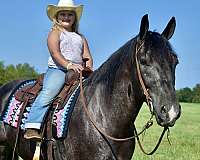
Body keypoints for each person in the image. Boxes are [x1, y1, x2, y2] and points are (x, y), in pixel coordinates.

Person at [24, 0, 93, 141]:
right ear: (56, 17)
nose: (66, 17)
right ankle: (32, 126)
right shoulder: (55, 33)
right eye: (63, 14)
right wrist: (68, 65)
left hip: (78, 72)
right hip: (59, 70)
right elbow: (55, 53)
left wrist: (89, 67)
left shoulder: (80, 37)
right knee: (50, 91)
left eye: (70, 14)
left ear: (75, 18)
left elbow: (87, 56)